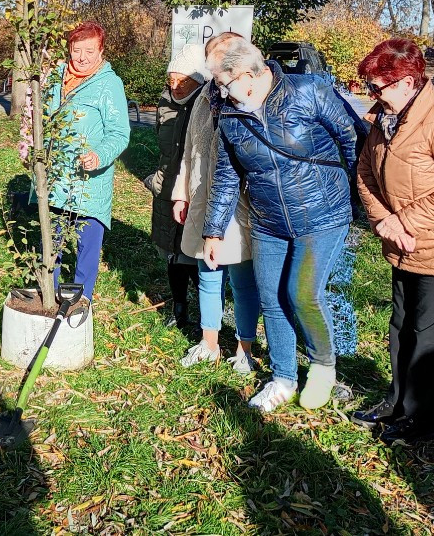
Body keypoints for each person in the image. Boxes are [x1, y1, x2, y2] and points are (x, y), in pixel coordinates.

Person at [202, 34, 356, 412]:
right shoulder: (231, 117)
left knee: (302, 294)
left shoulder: (308, 92)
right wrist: (213, 230)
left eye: (224, 84)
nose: (220, 93)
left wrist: (360, 200)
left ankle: (323, 366)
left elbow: (352, 140)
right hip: (268, 221)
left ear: (248, 75)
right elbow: (226, 176)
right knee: (271, 298)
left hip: (323, 214)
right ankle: (283, 378)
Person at [352, 39, 434, 446]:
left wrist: (403, 220)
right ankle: (396, 404)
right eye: (369, 86)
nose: (370, 95)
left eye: (377, 87)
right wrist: (385, 224)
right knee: (400, 327)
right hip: (403, 245)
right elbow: (364, 174)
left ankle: (420, 421)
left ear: (408, 82)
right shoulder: (382, 120)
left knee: (429, 337)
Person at [171, 43, 260, 372]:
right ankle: (209, 344)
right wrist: (181, 193)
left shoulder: (250, 95)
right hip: (201, 200)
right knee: (207, 274)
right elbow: (189, 150)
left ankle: (244, 348)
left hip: (240, 205)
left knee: (242, 279)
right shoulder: (203, 97)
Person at [46, 21, 130, 305]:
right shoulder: (56, 76)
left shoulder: (109, 84)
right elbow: (40, 119)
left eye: (89, 51)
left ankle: (81, 301)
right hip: (55, 175)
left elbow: (119, 133)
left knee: (87, 243)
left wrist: (99, 156)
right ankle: (49, 293)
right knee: (51, 239)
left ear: (101, 51)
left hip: (89, 180)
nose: (81, 57)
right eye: (76, 49)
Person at [146, 45, 206, 329]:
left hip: (195, 191)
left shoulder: (207, 104)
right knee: (171, 252)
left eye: (182, 81)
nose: (175, 86)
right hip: (167, 189)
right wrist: (158, 178)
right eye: (171, 79)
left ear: (199, 79)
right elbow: (165, 150)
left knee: (195, 255)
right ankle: (179, 308)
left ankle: (209, 316)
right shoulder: (165, 103)